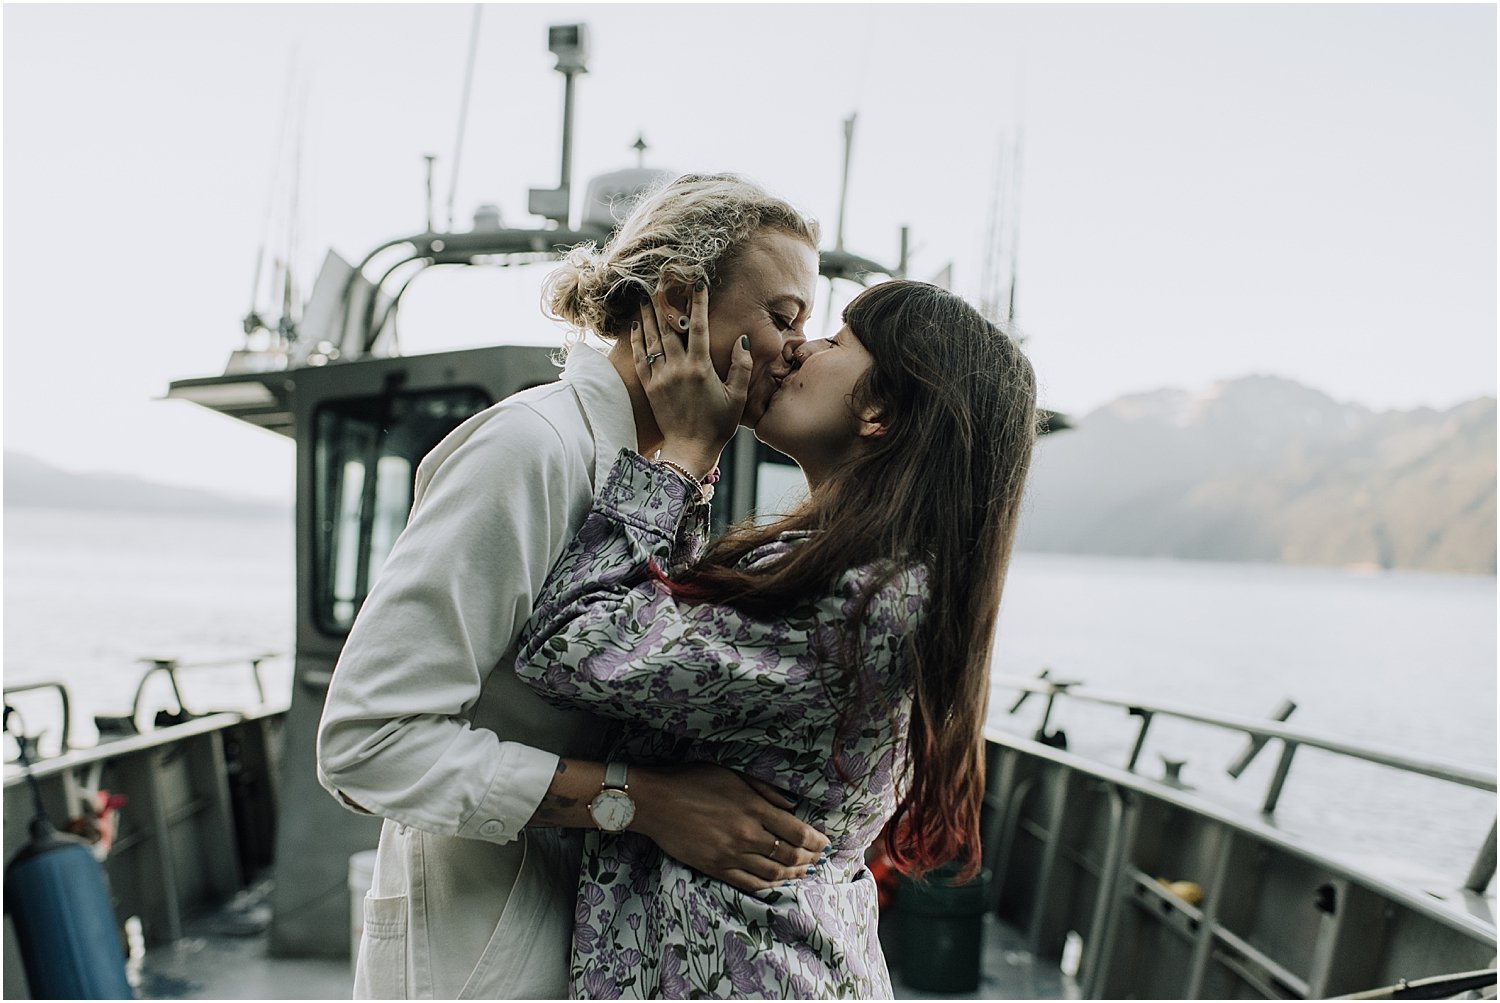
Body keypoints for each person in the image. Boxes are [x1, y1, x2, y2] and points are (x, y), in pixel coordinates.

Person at [316, 173, 833, 1000]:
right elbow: (367, 742)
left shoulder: (668, 476)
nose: (800, 348)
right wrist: (647, 803)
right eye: (784, 316)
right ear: (677, 305)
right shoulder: (531, 449)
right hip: (486, 953)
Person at [514, 278, 1039, 997]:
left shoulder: (860, 601)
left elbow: (571, 645)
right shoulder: (860, 576)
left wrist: (684, 454)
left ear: (880, 406)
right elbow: (674, 634)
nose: (797, 349)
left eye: (834, 341)